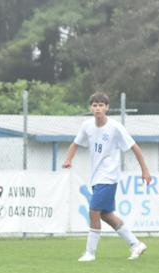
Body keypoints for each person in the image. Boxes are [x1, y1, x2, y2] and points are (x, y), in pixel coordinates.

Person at [62, 92, 152, 262]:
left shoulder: (115, 127)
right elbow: (75, 144)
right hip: (96, 177)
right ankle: (135, 244)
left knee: (94, 210)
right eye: (95, 105)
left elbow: (135, 147)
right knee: (106, 215)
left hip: (109, 177)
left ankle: (90, 253)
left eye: (101, 105)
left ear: (107, 108)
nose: (98, 108)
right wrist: (68, 159)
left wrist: (145, 171)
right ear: (91, 108)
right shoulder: (87, 126)